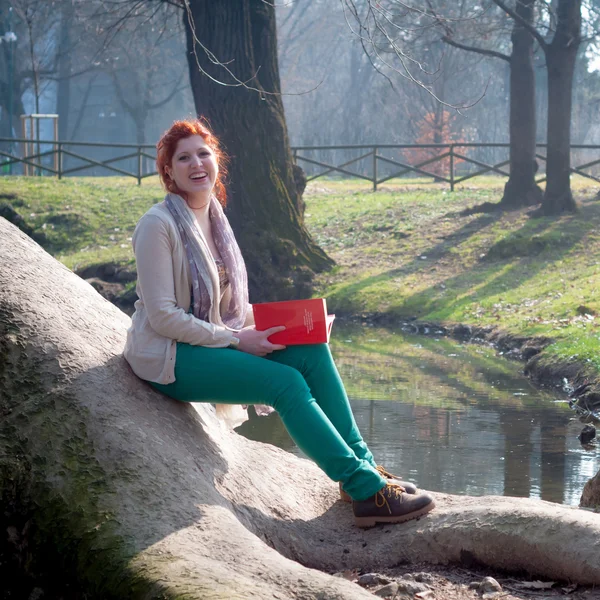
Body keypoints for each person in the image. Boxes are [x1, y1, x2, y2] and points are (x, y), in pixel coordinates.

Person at [123, 118, 435, 528]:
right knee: (283, 383)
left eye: (204, 153)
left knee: (311, 349)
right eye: (184, 157)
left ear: (217, 160)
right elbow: (164, 316)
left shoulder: (213, 216)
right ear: (168, 171)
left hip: (208, 340)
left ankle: (365, 472)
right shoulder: (157, 225)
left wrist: (296, 325)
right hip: (168, 356)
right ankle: (365, 490)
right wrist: (238, 339)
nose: (196, 163)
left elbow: (225, 305)